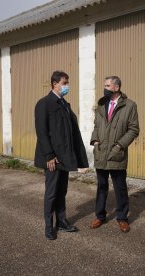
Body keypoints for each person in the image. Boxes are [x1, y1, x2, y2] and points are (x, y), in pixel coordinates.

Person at [34, 70, 89, 240]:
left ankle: (62, 221)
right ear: (54, 84)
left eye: (67, 83)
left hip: (64, 156)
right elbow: (42, 132)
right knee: (51, 192)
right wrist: (49, 155)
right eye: (64, 83)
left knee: (62, 191)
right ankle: (49, 226)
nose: (67, 86)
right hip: (53, 158)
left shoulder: (65, 104)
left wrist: (78, 157)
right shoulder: (44, 103)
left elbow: (71, 132)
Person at [89, 76, 139, 233]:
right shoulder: (101, 105)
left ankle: (122, 218)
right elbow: (96, 126)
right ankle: (100, 216)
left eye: (108, 85)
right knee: (101, 186)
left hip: (117, 153)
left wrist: (119, 145)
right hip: (101, 152)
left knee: (120, 187)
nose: (105, 88)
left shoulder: (129, 106)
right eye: (104, 85)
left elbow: (133, 129)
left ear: (117, 87)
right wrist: (95, 141)